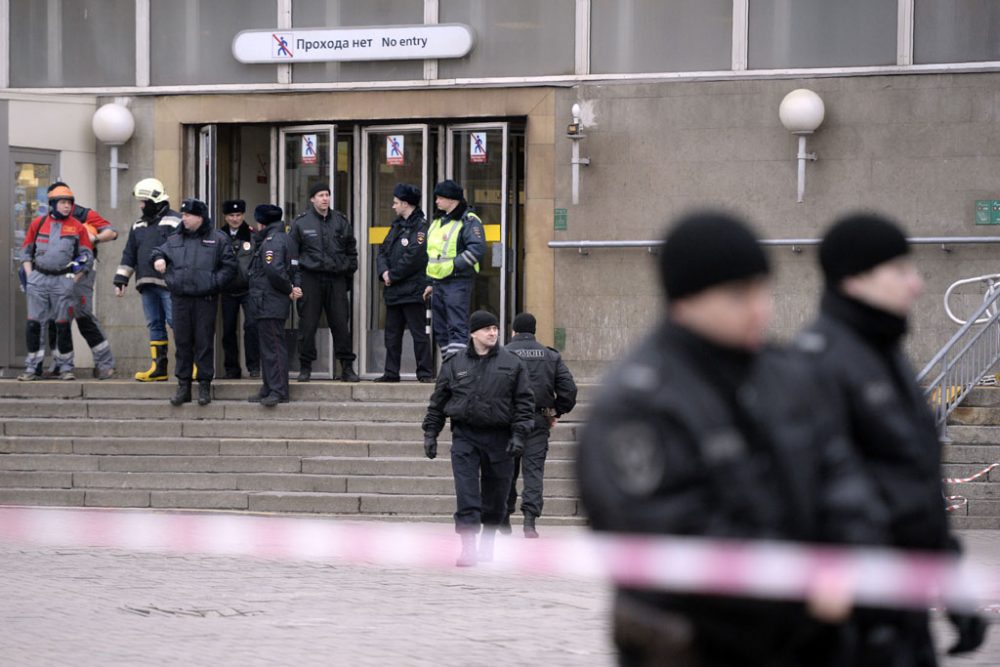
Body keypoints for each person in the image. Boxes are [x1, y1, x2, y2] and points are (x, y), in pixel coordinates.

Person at [577, 211, 883, 666]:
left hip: (810, 641)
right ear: (686, 300)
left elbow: (841, 475)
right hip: (696, 646)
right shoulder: (637, 404)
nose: (760, 308)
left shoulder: (787, 375)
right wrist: (801, 586)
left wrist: (852, 555)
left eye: (763, 289)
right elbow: (667, 532)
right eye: (739, 294)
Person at [799, 213, 987, 665]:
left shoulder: (889, 362)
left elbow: (916, 489)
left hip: (904, 616)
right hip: (853, 628)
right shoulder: (816, 369)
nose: (916, 284)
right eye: (900, 270)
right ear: (855, 279)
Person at [422, 310, 535, 567]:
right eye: (487, 329)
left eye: (495, 328)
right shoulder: (454, 364)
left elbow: (524, 403)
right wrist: (431, 432)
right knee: (467, 493)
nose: (493, 332)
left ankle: (488, 543)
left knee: (496, 497)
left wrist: (519, 435)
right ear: (473, 333)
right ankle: (468, 548)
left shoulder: (512, 363)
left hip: (500, 438)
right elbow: (438, 402)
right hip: (466, 437)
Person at [151, 198, 237, 407]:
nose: (184, 218)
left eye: (188, 215)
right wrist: (158, 259)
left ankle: (205, 385)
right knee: (182, 343)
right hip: (180, 298)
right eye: (184, 215)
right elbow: (157, 251)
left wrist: (214, 283)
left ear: (200, 217)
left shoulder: (217, 239)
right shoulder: (175, 238)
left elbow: (230, 266)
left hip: (205, 299)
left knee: (204, 342)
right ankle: (184, 386)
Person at [501, 312, 577, 538]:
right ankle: (529, 522)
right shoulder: (550, 355)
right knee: (534, 471)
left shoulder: (502, 354)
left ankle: (504, 518)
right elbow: (569, 389)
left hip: (508, 422)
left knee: (507, 471)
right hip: (537, 420)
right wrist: (556, 411)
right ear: (534, 331)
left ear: (514, 331)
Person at [42, 181, 118, 380]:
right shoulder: (48, 220)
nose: (61, 204)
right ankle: (59, 364)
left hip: (81, 272)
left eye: (64, 200)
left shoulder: (84, 214)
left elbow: (112, 232)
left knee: (82, 315)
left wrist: (94, 239)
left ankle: (105, 364)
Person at [18, 185, 94, 381]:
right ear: (52, 204)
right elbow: (25, 252)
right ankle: (32, 368)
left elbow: (86, 257)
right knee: (34, 324)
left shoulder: (78, 227)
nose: (67, 206)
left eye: (69, 203)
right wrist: (31, 276)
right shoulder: (38, 223)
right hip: (39, 279)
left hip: (63, 280)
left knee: (62, 325)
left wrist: (73, 279)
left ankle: (65, 368)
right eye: (63, 202)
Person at [288, 182, 358, 383]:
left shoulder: (340, 221)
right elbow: (293, 256)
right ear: (312, 199)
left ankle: (346, 367)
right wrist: (297, 283)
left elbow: (351, 252)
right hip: (310, 279)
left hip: (336, 279)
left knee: (340, 325)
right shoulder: (301, 223)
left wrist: (346, 273)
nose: (325, 198)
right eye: (320, 195)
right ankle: (305, 366)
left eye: (327, 194)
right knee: (307, 325)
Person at [113, 178, 181, 382]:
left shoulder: (175, 221)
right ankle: (159, 369)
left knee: (176, 323)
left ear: (155, 200)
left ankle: (190, 365)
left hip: (169, 284)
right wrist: (121, 279)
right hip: (146, 283)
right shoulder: (138, 225)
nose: (141, 205)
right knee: (155, 324)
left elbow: (180, 251)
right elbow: (129, 254)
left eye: (144, 201)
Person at [374, 183, 433, 383]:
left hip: (413, 290)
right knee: (392, 335)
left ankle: (424, 373)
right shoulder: (396, 226)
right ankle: (391, 372)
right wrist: (383, 272)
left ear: (406, 204)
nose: (393, 206)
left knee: (419, 334)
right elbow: (382, 251)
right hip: (394, 292)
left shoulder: (421, 228)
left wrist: (393, 275)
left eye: (396, 203)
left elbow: (415, 257)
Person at [423, 180, 486, 359]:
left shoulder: (468, 220)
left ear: (452, 199)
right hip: (438, 282)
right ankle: (451, 366)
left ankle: (460, 370)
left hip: (457, 281)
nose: (437, 201)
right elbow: (431, 255)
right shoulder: (438, 222)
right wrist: (429, 282)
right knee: (441, 328)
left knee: (457, 326)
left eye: (440, 198)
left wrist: (452, 266)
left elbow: (477, 250)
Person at [247, 204, 301, 407]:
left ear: (262, 222)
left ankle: (278, 390)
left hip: (270, 301)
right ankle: (269, 387)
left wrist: (288, 289)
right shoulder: (284, 238)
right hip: (269, 301)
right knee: (268, 347)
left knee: (274, 348)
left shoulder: (272, 241)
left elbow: (274, 270)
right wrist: (293, 287)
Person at [219, 199, 260, 379]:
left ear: (243, 215)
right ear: (225, 217)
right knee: (228, 330)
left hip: (248, 289)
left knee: (251, 326)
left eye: (238, 215)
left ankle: (254, 366)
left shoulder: (253, 235)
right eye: (231, 215)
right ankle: (231, 368)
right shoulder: (219, 235)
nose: (235, 219)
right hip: (227, 289)